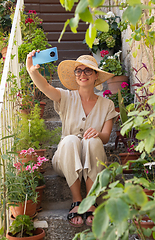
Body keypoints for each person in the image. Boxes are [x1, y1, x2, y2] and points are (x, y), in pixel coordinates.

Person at [26, 52, 119, 227]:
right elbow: (46, 87)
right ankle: (78, 201)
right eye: (78, 71)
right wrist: (32, 71)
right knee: (70, 140)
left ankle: (91, 200)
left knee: (93, 141)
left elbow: (106, 137)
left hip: (94, 157)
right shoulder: (67, 97)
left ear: (96, 75)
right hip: (65, 160)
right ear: (75, 75)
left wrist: (97, 134)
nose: (82, 74)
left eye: (88, 71)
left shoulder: (107, 105)